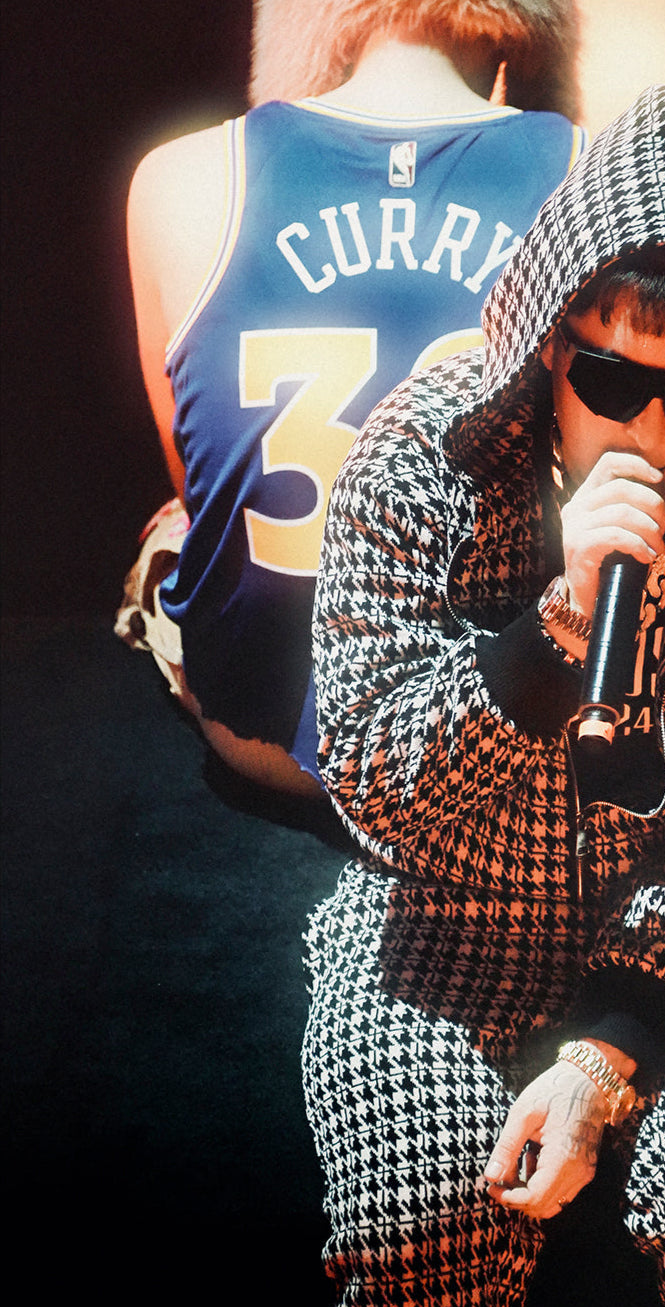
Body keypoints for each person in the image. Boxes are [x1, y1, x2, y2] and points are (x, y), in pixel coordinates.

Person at [304, 85, 665, 1307]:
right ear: (549, 350)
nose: (652, 432)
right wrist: (554, 631)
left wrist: (606, 1051)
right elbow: (369, 782)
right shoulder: (416, 462)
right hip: (447, 915)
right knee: (419, 1223)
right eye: (615, 380)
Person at [116, 0, 585, 797]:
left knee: (177, 528)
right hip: (502, 754)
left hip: (265, 745)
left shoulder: (179, 176)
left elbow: (200, 487)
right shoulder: (593, 170)